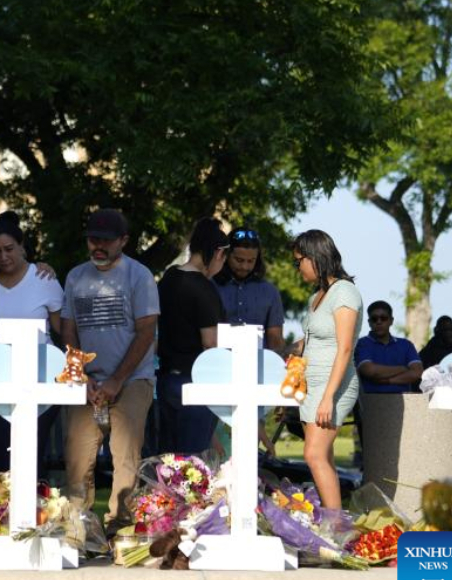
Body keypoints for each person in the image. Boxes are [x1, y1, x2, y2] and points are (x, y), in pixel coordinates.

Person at [61, 209, 159, 531]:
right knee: (77, 458)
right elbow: (68, 329)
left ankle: (121, 529)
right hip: (86, 380)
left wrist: (117, 380)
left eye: (105, 241)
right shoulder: (76, 276)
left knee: (125, 458)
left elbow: (147, 331)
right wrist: (81, 375)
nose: (98, 247)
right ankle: (78, 530)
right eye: (93, 240)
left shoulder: (139, 275)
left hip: (132, 379)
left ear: (124, 241)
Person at [0, 212, 65, 480]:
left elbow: (63, 331)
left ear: (22, 246)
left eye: (9, 249)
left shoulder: (44, 279)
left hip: (39, 382)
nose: (3, 256)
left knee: (30, 457)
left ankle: (35, 517)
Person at [289, 229, 361, 510]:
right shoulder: (317, 296)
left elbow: (344, 348)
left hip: (334, 385)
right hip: (313, 385)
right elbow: (308, 342)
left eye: (299, 261)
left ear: (315, 257)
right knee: (324, 458)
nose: (297, 268)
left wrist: (328, 396)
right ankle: (335, 522)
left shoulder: (344, 292)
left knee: (314, 455)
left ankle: (337, 527)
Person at [156, 218, 228, 455]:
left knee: (167, 463)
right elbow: (211, 343)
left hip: (166, 381)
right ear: (218, 253)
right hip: (196, 383)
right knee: (191, 467)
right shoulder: (203, 288)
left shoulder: (169, 278)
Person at [214, 228, 285, 351]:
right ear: (226, 255)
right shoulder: (210, 286)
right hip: (216, 364)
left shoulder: (270, 292)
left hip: (258, 366)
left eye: (251, 261)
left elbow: (276, 340)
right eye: (239, 260)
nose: (244, 266)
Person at [355, 301, 423, 394]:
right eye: (374, 319)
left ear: (391, 320)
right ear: (369, 322)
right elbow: (370, 371)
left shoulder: (406, 344)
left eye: (383, 318)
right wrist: (402, 369)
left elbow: (417, 373)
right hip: (371, 402)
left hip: (404, 402)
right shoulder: (362, 344)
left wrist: (387, 381)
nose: (379, 322)